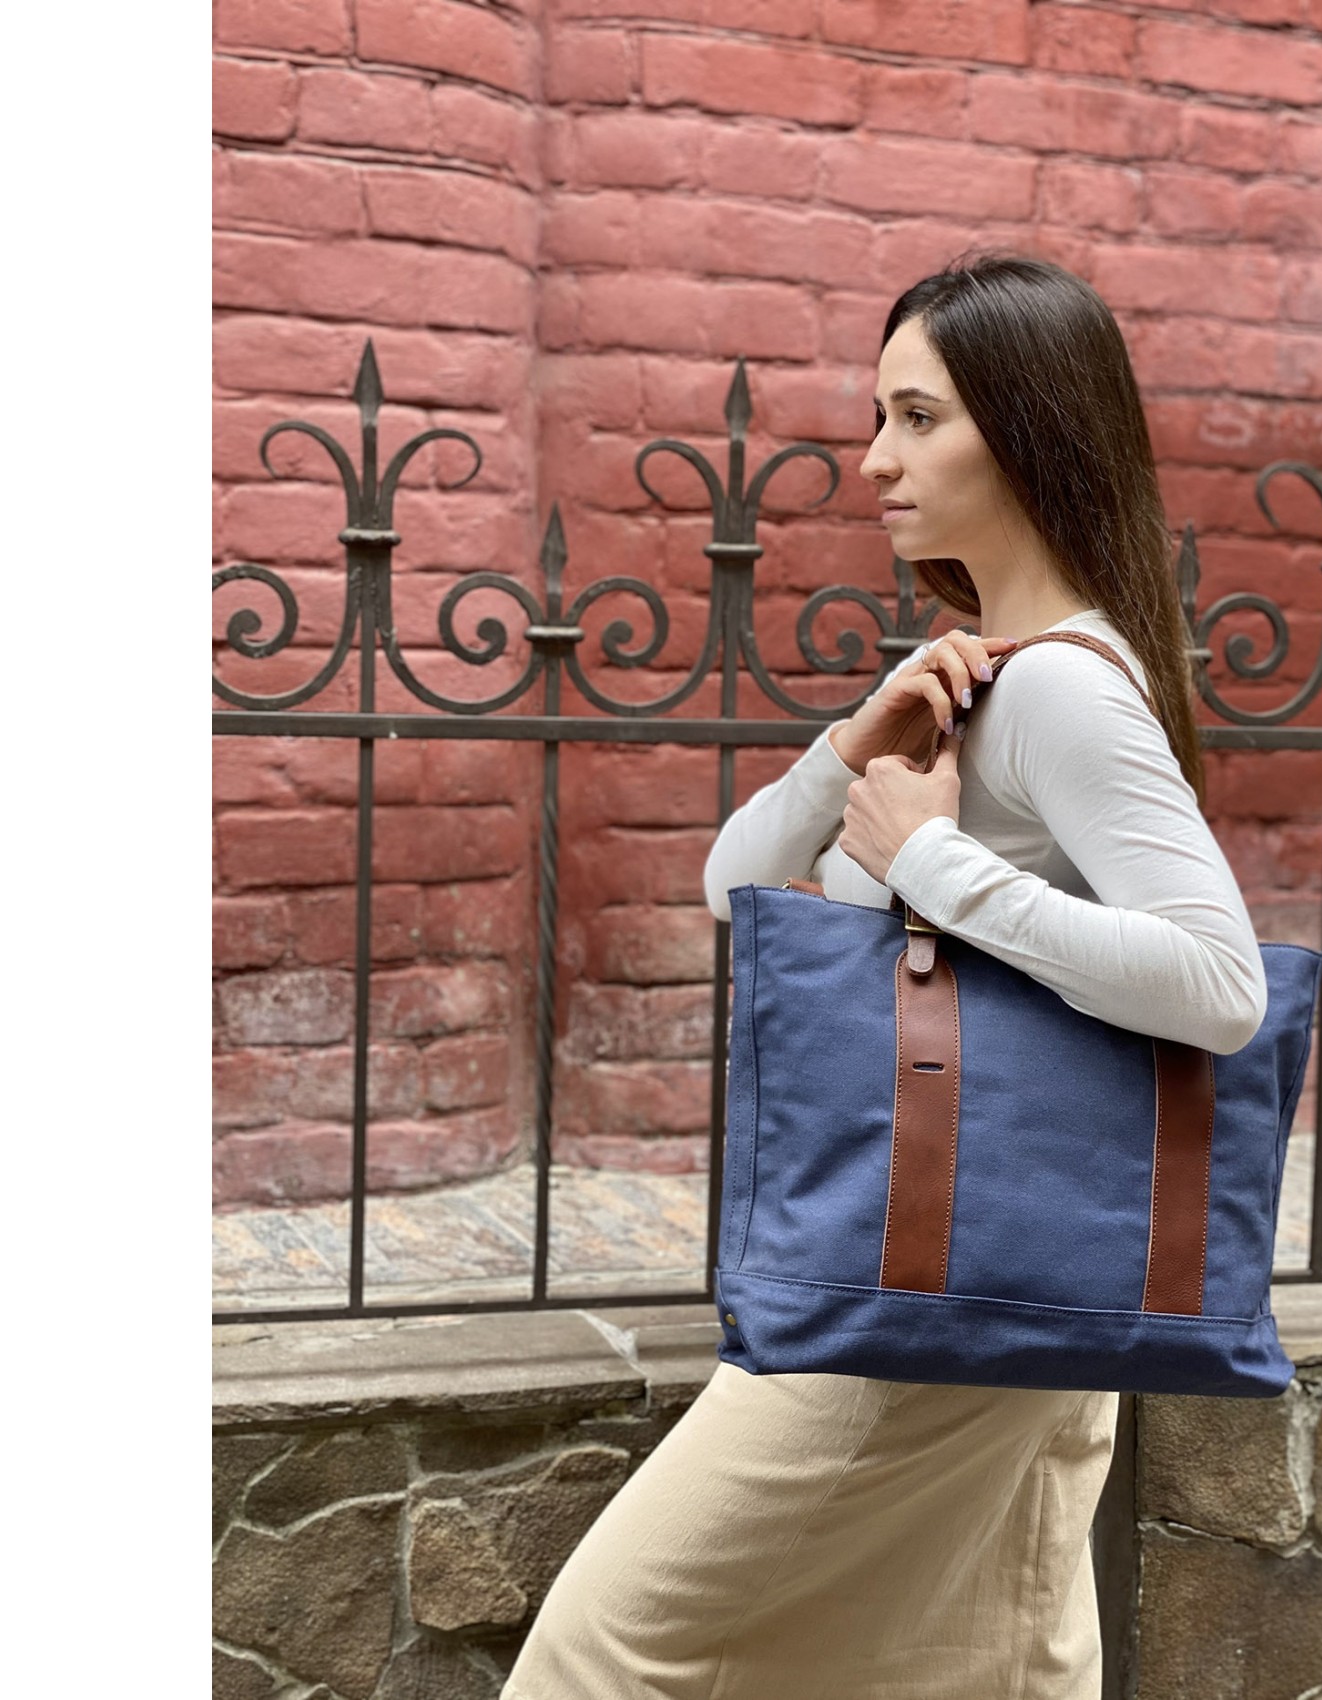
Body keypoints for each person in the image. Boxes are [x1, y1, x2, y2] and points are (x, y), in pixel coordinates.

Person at [501, 252, 1267, 1700]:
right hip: (997, 1274)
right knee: (991, 1658)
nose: (874, 459)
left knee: (608, 1643)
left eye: (919, 419)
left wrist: (933, 865)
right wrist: (853, 749)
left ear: (1030, 432)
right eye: (878, 418)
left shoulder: (1059, 688)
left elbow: (1219, 984)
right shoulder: (993, 675)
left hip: (926, 1297)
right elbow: (735, 887)